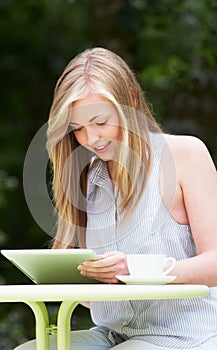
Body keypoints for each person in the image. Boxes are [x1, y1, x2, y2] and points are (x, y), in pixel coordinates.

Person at [16, 47, 217, 349]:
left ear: (132, 100)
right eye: (78, 128)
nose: (90, 138)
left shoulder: (185, 154)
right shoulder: (86, 178)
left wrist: (135, 271)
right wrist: (79, 274)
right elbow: (89, 299)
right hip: (113, 334)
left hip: (186, 334)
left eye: (100, 121)